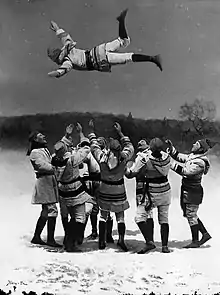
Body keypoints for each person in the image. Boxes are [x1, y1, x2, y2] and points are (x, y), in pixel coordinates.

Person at [47, 9, 163, 78]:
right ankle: (120, 21)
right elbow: (64, 37)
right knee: (125, 41)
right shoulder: (69, 48)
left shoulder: (68, 60)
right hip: (98, 50)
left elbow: (64, 70)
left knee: (128, 57)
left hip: (99, 59)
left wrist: (55, 73)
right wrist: (57, 28)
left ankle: (152, 58)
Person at [88, 120, 134, 251]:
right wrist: (120, 132)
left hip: (105, 188)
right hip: (118, 189)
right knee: (120, 216)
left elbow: (94, 147)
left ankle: (101, 241)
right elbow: (130, 146)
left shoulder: (102, 157)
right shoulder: (124, 157)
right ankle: (121, 240)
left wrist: (92, 131)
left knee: (103, 215)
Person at [126, 138, 172, 254]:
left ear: (150, 147)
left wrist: (122, 167)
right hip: (166, 190)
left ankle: (149, 242)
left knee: (139, 217)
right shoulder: (167, 156)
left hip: (152, 192)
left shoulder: (145, 158)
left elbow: (131, 173)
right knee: (164, 219)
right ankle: (165, 246)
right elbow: (178, 168)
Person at [166, 138, 213, 248]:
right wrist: (171, 148)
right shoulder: (193, 157)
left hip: (193, 191)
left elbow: (185, 172)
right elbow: (179, 157)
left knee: (191, 215)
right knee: (190, 214)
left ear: (200, 148)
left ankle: (195, 241)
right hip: (188, 190)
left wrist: (169, 163)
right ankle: (204, 234)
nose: (193, 144)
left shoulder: (200, 162)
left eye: (196, 144)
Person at [52, 123, 92, 252]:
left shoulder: (54, 160)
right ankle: (71, 242)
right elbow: (86, 148)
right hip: (75, 190)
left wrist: (67, 135)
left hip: (62, 190)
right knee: (80, 218)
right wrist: (81, 134)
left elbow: (62, 147)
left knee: (67, 216)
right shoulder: (71, 160)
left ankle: (68, 239)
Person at [27, 131, 61, 247]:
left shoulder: (42, 150)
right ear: (36, 140)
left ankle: (36, 237)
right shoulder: (35, 152)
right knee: (52, 210)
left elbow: (48, 162)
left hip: (48, 181)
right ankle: (50, 240)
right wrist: (56, 166)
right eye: (41, 135)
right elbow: (42, 166)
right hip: (44, 182)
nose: (44, 136)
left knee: (46, 211)